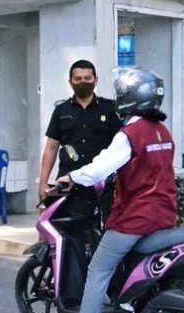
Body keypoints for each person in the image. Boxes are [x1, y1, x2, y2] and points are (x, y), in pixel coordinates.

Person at [49, 66, 177, 313]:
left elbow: (99, 168)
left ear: (129, 98)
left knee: (99, 269)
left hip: (135, 217)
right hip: (164, 212)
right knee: (137, 265)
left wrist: (72, 177)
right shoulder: (161, 130)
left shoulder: (130, 133)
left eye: (122, 93)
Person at [38, 60, 122, 218]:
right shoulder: (61, 110)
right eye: (78, 79)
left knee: (102, 232)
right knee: (63, 230)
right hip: (67, 183)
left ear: (95, 80)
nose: (83, 82)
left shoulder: (110, 109)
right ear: (70, 82)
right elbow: (51, 147)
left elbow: (120, 147)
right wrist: (43, 183)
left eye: (88, 78)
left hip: (102, 183)